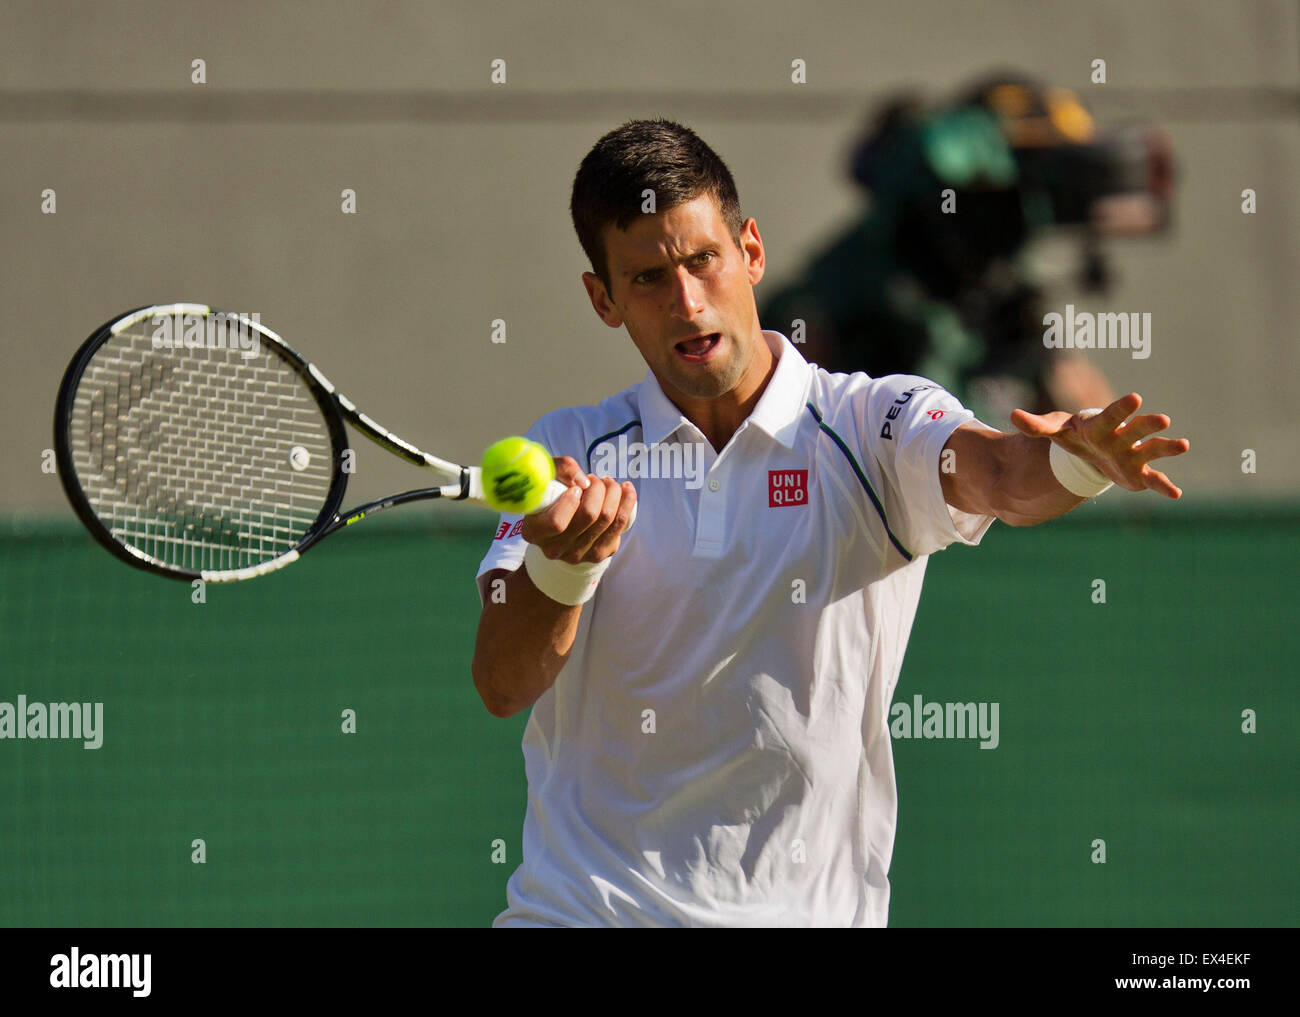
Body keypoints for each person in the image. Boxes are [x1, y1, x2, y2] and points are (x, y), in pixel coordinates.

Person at [471, 118, 1187, 928]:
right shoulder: (563, 452)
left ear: (751, 251)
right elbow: (503, 682)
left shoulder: (875, 423)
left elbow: (996, 473)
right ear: (603, 298)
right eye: (647, 278)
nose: (688, 301)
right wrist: (563, 568)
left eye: (703, 259)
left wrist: (1074, 462)